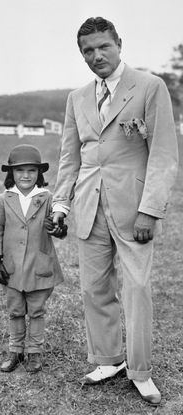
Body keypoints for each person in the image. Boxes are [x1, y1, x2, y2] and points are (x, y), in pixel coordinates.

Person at [52, 17, 178, 406]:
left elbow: (162, 153)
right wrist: (61, 203)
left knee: (137, 288)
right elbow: (70, 157)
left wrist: (150, 210)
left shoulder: (150, 86)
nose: (96, 56)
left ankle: (141, 372)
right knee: (94, 288)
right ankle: (108, 359)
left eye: (103, 46)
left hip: (133, 209)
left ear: (118, 43)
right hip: (89, 206)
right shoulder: (77, 98)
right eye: (87, 51)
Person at [0, 144, 65, 373]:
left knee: (37, 310)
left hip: (39, 266)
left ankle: (34, 353)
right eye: (20, 170)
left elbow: (60, 227)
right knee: (15, 310)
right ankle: (16, 351)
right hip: (10, 268)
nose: (26, 175)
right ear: (11, 173)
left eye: (32, 171)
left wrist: (59, 229)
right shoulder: (3, 199)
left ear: (39, 174)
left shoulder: (47, 197)